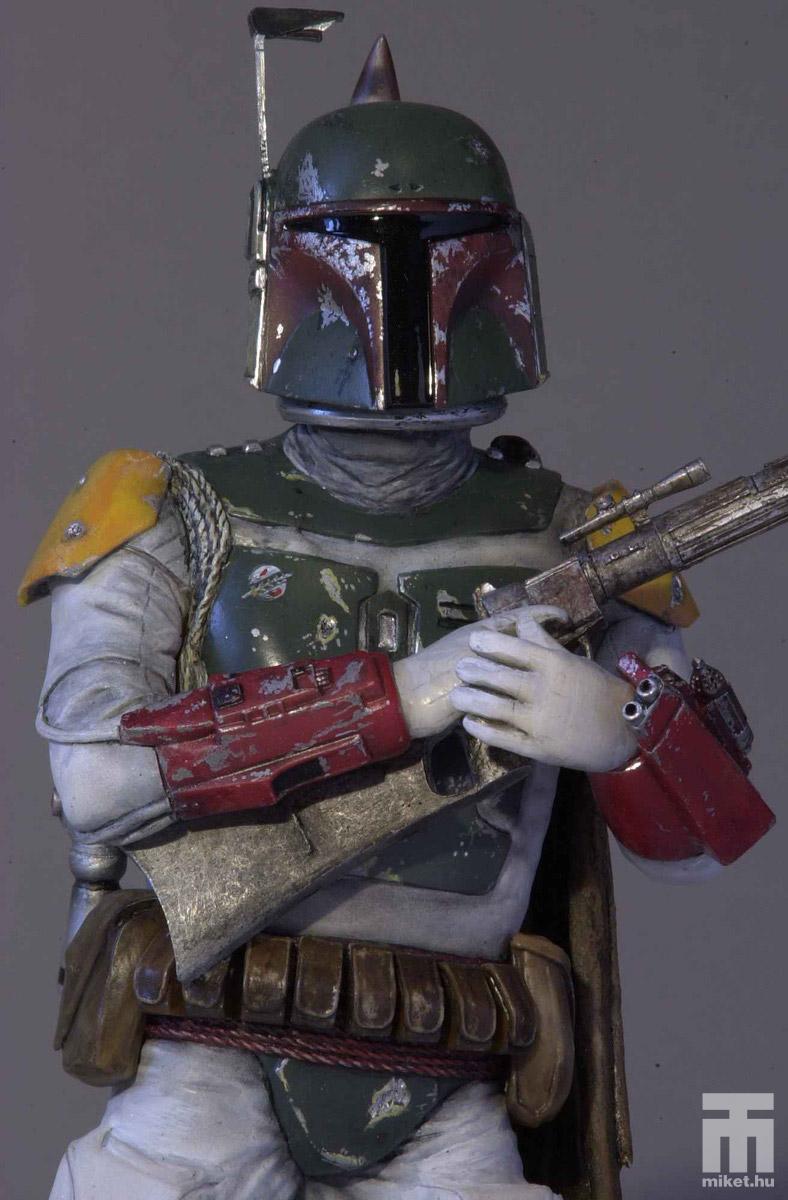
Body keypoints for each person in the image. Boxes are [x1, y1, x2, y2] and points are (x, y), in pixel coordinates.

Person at [19, 29, 773, 1200]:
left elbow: (706, 843)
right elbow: (94, 773)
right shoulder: (166, 511)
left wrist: (618, 729)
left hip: (454, 1056)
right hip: (207, 1045)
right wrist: (409, 694)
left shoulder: (578, 535)